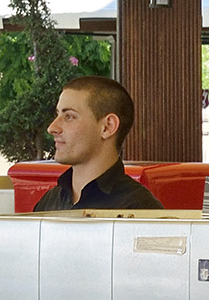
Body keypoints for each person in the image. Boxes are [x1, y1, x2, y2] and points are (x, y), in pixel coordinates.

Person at [34, 76, 164, 213]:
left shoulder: (139, 209)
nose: (52, 128)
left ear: (107, 127)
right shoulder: (49, 201)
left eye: (69, 117)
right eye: (57, 115)